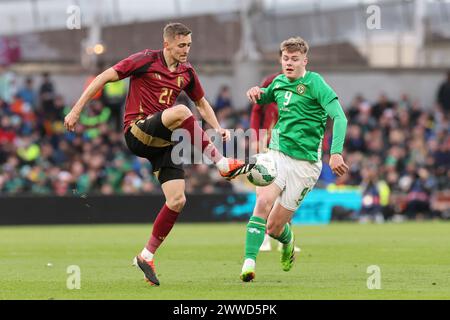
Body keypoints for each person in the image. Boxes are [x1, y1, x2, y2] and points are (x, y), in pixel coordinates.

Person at [64, 22, 253, 286]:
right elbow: (103, 77)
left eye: (188, 45)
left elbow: (201, 102)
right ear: (167, 44)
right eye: (181, 45)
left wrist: (219, 127)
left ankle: (146, 255)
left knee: (177, 200)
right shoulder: (144, 60)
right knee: (181, 111)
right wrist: (76, 110)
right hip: (137, 131)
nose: (186, 50)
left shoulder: (187, 72)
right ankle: (222, 163)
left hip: (163, 142)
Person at [241, 37, 349, 282]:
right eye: (285, 58)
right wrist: (256, 93)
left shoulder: (316, 83)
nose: (289, 63)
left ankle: (288, 242)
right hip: (277, 153)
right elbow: (265, 97)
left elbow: (340, 117)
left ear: (304, 61)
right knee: (263, 202)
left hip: (306, 165)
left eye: (294, 59)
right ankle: (249, 263)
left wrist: (336, 152)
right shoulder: (278, 83)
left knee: (274, 228)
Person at [250, 69, 301, 253]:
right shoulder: (272, 81)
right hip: (268, 142)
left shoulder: (304, 84)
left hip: (289, 144)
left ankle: (284, 238)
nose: (289, 64)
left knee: (288, 192)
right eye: (286, 58)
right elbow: (257, 110)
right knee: (264, 189)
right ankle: (263, 237)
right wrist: (256, 136)